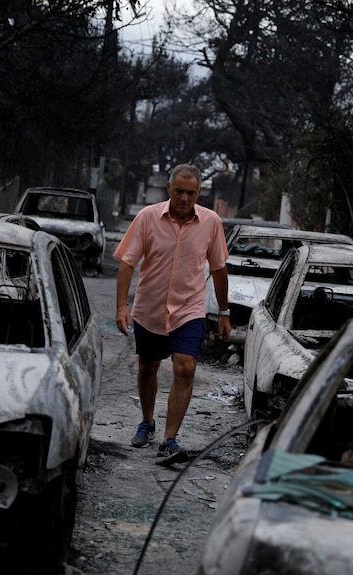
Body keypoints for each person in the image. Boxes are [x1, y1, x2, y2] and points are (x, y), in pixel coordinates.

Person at [114, 164, 231, 466]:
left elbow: (218, 268)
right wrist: (121, 307)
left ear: (198, 193)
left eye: (190, 193)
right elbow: (127, 262)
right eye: (178, 191)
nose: (184, 198)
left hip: (189, 309)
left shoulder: (211, 222)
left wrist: (224, 312)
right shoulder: (147, 218)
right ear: (168, 188)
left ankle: (170, 439)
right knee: (148, 367)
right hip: (150, 307)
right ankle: (147, 421)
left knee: (185, 368)